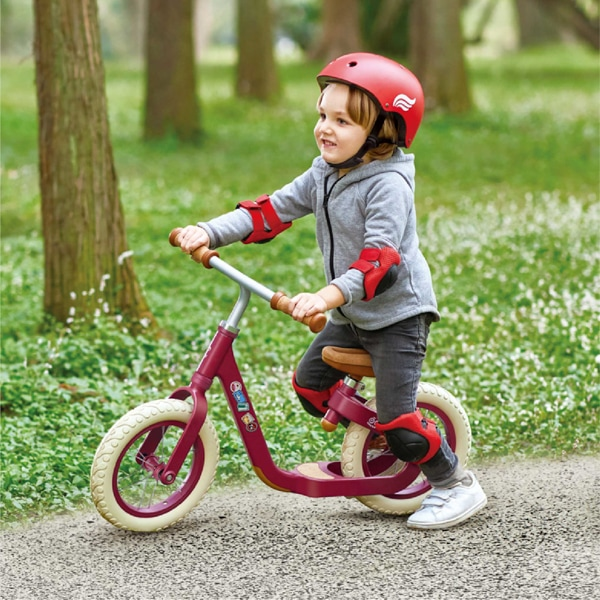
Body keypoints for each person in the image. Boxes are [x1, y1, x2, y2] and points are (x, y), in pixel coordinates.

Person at [176, 52, 487, 529]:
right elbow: (270, 211)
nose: (326, 128)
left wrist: (324, 298)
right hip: (352, 316)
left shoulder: (387, 186)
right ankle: (379, 441)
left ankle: (453, 483)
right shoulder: (325, 172)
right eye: (323, 114)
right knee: (308, 386)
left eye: (342, 120)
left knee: (401, 423)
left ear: (382, 131)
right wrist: (209, 231)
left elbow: (378, 264)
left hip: (396, 318)